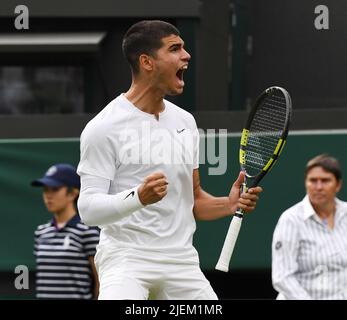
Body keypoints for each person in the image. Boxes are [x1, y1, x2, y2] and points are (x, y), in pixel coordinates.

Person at [77, 20, 263, 300]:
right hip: (127, 259)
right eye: (175, 49)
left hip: (181, 261)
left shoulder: (185, 122)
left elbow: (194, 200)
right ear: (147, 62)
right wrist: (138, 197)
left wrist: (229, 204)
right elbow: (88, 210)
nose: (186, 56)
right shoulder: (102, 127)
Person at [272, 154, 347, 300]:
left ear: (338, 185)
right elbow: (282, 277)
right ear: (306, 183)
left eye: (325, 181)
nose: (318, 187)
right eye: (313, 180)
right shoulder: (290, 219)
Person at [32, 163, 100, 299]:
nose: (48, 196)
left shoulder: (88, 232)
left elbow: (100, 281)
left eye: (54, 189)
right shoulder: (40, 233)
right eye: (45, 190)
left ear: (73, 193)